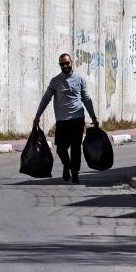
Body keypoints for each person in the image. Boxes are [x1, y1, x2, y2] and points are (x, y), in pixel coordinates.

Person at [33, 53, 99, 184]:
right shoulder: (55, 81)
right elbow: (46, 99)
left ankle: (75, 173)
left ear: (71, 62)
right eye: (62, 64)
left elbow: (86, 99)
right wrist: (37, 116)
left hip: (77, 119)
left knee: (75, 148)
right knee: (60, 149)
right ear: (60, 65)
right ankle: (67, 164)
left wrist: (93, 117)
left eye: (67, 63)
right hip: (62, 121)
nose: (65, 66)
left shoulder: (80, 79)